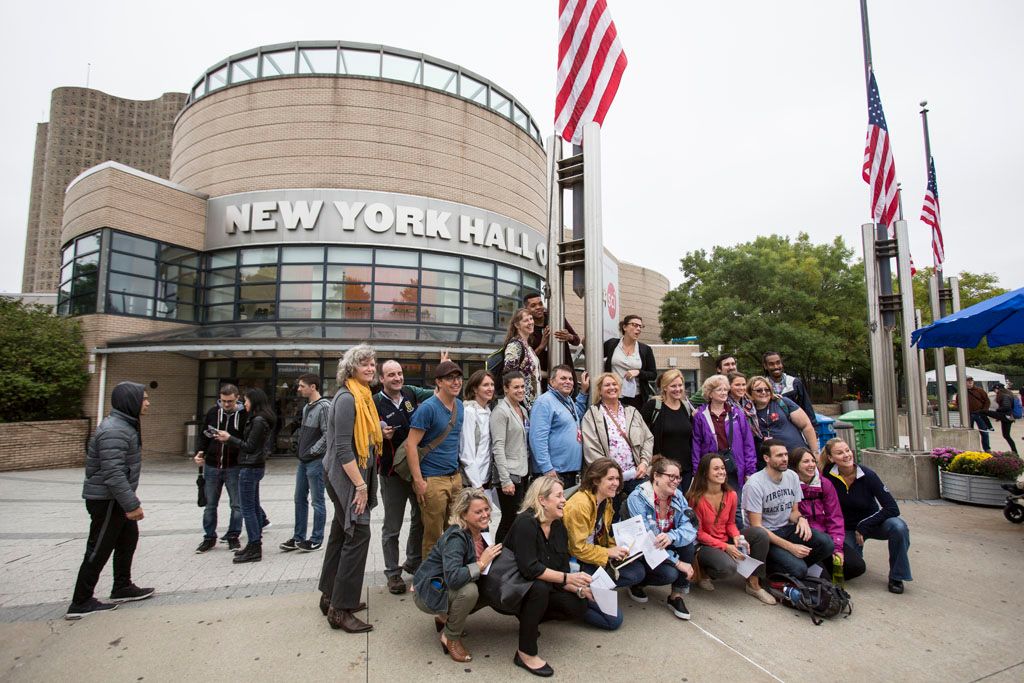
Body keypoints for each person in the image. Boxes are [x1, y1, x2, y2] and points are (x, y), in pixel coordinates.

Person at [66, 382, 155, 619]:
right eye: (143, 398)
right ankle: (80, 601)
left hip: (116, 498)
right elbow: (113, 473)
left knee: (128, 538)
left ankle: (122, 586)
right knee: (99, 548)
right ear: (130, 401)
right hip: (107, 500)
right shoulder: (115, 430)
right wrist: (132, 504)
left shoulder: (125, 426)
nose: (147, 403)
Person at [501, 477, 602, 677]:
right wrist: (567, 579)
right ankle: (525, 653)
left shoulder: (558, 526)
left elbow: (561, 568)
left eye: (563, 495)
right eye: (558, 496)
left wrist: (581, 589)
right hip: (509, 588)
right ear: (542, 500)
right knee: (539, 588)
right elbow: (529, 569)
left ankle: (529, 618)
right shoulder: (526, 523)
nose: (564, 500)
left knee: (577, 605)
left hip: (540, 585)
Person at [319, 344, 383, 632]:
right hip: (347, 478)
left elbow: (361, 436)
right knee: (358, 533)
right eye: (364, 364)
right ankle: (340, 610)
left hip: (351, 475)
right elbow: (344, 448)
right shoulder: (347, 398)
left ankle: (330, 595)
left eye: (372, 363)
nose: (370, 368)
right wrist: (360, 486)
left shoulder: (363, 396)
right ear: (351, 368)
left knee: (340, 532)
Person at [412, 488, 502, 664]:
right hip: (429, 592)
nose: (485, 515)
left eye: (486, 509)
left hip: (441, 585)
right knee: (470, 592)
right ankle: (450, 637)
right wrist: (481, 563)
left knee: (485, 587)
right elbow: (453, 577)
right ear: (464, 515)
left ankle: (444, 618)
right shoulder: (456, 537)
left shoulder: (479, 531)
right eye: (478, 512)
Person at [375, 359, 435, 595]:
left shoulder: (410, 392)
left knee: (420, 517)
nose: (397, 378)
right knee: (392, 526)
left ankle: (413, 561)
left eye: (399, 373)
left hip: (416, 470)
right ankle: (392, 573)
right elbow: (371, 425)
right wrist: (379, 431)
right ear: (382, 379)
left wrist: (443, 369)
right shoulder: (375, 402)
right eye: (391, 375)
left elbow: (436, 393)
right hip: (392, 473)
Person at [821, 438, 911, 594]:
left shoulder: (868, 475)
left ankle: (897, 576)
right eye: (839, 453)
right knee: (852, 567)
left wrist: (864, 525)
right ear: (830, 458)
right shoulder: (827, 475)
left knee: (899, 527)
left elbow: (892, 508)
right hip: (846, 529)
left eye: (847, 450)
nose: (846, 455)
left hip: (872, 524)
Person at [687, 453, 775, 604]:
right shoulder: (695, 498)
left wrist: (736, 537)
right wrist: (725, 547)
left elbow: (730, 523)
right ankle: (704, 573)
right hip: (704, 545)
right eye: (716, 469)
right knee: (728, 568)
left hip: (725, 539)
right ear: (705, 473)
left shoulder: (731, 495)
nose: (721, 471)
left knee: (759, 534)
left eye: (722, 468)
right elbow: (698, 533)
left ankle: (754, 583)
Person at [563, 457, 643, 622]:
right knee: (614, 620)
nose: (616, 483)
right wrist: (608, 552)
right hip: (574, 562)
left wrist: (622, 549)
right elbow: (576, 549)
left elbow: (602, 536)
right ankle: (567, 600)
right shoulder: (580, 504)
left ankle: (595, 587)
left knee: (637, 572)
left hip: (592, 556)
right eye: (610, 479)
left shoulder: (605, 499)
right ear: (596, 480)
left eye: (617, 478)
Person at [742, 439, 834, 578]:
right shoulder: (754, 485)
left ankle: (791, 565)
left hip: (787, 529)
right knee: (799, 570)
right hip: (766, 539)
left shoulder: (792, 476)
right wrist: (791, 547)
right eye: (779, 455)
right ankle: (771, 569)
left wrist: (801, 519)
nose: (785, 459)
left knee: (827, 543)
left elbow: (793, 512)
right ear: (766, 458)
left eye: (785, 454)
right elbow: (757, 526)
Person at [625, 456, 697, 619]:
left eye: (678, 477)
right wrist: (677, 563)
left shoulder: (678, 496)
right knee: (669, 574)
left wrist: (672, 536)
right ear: (656, 476)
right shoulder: (637, 498)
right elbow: (646, 539)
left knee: (687, 544)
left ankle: (676, 597)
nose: (676, 481)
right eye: (671, 476)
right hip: (642, 550)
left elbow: (691, 526)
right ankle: (637, 583)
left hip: (664, 545)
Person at [406, 360, 465, 559]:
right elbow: (411, 445)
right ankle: (429, 582)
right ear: (438, 382)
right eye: (450, 378)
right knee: (432, 535)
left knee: (455, 531)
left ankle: (450, 573)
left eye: (458, 378)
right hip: (432, 480)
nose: (456, 382)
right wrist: (419, 481)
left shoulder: (459, 405)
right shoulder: (428, 408)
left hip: (455, 478)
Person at [216, 388, 274, 564]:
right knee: (253, 506)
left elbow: (249, 446)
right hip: (253, 466)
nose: (244, 404)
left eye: (246, 401)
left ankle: (255, 546)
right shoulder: (260, 419)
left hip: (250, 467)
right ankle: (253, 544)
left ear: (254, 402)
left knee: (248, 508)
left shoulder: (258, 421)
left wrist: (229, 438)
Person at [691, 374, 756, 527]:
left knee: (737, 506)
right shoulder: (701, 416)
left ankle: (740, 541)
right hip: (711, 467)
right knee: (714, 507)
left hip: (734, 466)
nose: (723, 392)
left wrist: (750, 470)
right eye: (719, 389)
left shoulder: (737, 414)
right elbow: (696, 445)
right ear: (710, 393)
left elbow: (748, 443)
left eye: (725, 389)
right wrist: (697, 470)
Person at [790, 447, 862, 580]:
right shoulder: (789, 485)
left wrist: (838, 548)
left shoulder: (824, 484)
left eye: (813, 461)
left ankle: (824, 565)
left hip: (826, 537)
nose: (811, 465)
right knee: (824, 579)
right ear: (795, 466)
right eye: (806, 462)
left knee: (856, 567)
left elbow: (835, 517)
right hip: (803, 538)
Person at [279, 373, 330, 554]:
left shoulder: (324, 407)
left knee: (317, 501)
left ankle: (316, 539)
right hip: (304, 461)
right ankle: (298, 537)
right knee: (299, 498)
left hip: (315, 462)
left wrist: (312, 451)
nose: (299, 389)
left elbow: (328, 434)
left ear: (313, 387)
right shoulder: (307, 407)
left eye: (302, 386)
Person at [581, 372, 653, 501]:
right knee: (611, 518)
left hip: (635, 476)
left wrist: (644, 462)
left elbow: (648, 438)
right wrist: (610, 475)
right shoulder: (592, 415)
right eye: (607, 385)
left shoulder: (632, 411)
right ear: (600, 391)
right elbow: (590, 449)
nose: (612, 387)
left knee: (641, 514)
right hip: (608, 480)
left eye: (614, 384)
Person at [193, 384, 246, 554]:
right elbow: (203, 435)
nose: (226, 404)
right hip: (212, 465)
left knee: (236, 505)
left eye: (230, 401)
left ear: (237, 397)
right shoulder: (212, 412)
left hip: (234, 466)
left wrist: (230, 440)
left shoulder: (244, 415)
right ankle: (209, 537)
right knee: (210, 505)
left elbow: (247, 440)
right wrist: (200, 453)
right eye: (223, 401)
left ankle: (233, 536)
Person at [529, 364, 590, 487]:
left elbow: (576, 414)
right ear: (552, 382)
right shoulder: (544, 402)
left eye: (570, 379)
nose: (568, 382)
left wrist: (583, 392)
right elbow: (537, 438)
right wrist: (547, 468)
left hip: (568, 472)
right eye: (563, 378)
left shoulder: (567, 401)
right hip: (552, 474)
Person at [490, 370, 531, 543]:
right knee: (509, 520)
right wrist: (505, 479)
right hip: (509, 475)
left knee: (517, 519)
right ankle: (499, 557)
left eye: (522, 386)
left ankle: (511, 555)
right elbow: (498, 446)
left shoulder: (522, 409)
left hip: (522, 472)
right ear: (506, 389)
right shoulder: (501, 411)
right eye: (516, 387)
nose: (521, 390)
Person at [641, 369, 695, 493]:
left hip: (685, 470)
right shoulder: (654, 405)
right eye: (673, 386)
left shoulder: (686, 407)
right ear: (665, 387)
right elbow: (639, 432)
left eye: (680, 385)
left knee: (683, 507)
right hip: (664, 471)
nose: (678, 389)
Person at [749, 376, 818, 462]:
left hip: (798, 458)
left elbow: (806, 426)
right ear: (750, 393)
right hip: (772, 463)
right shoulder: (748, 413)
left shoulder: (781, 402)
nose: (764, 392)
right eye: (759, 390)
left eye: (767, 390)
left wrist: (815, 453)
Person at [524, 291, 580, 386]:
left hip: (566, 375)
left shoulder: (555, 318)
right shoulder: (527, 328)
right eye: (533, 305)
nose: (538, 307)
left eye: (540, 304)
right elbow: (527, 360)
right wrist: (542, 345)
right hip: (543, 381)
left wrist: (569, 337)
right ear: (526, 309)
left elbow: (577, 341)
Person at [602, 314, 657, 410]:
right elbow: (593, 354)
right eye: (634, 325)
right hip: (613, 395)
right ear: (624, 327)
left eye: (640, 326)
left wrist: (638, 372)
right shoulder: (612, 344)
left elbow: (653, 374)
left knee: (633, 424)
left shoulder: (645, 349)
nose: (638, 329)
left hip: (636, 398)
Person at [461, 370, 497, 502]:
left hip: (486, 480)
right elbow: (466, 452)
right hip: (472, 483)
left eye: (492, 384)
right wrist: (477, 484)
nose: (490, 388)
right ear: (475, 389)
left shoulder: (488, 411)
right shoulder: (469, 412)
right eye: (485, 385)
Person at [761, 351, 816, 426]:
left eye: (778, 363)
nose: (776, 366)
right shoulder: (761, 387)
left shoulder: (794, 383)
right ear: (765, 366)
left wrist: (814, 430)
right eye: (771, 364)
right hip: (773, 429)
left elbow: (807, 408)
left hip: (796, 427)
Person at [503, 307, 542, 408]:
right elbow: (509, 376)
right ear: (517, 325)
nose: (530, 322)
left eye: (531, 319)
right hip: (522, 404)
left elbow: (533, 373)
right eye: (526, 320)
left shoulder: (528, 347)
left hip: (533, 403)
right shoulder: (515, 346)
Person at [955, 376, 993, 452]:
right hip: (968, 414)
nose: (970, 382)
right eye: (968, 381)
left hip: (979, 414)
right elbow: (958, 403)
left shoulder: (980, 391)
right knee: (968, 431)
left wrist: (984, 411)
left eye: (971, 381)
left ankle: (987, 448)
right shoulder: (961, 392)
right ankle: (969, 447)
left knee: (984, 431)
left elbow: (987, 401)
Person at [727, 371, 763, 449]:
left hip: (754, 438)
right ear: (729, 386)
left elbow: (765, 396)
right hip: (737, 443)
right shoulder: (725, 404)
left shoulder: (749, 400)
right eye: (737, 385)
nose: (741, 388)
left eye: (743, 384)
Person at [990, 383, 1017, 455]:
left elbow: (1006, 407)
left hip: (1007, 417)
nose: (994, 392)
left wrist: (998, 410)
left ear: (997, 389)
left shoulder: (1004, 395)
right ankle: (1014, 451)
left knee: (1006, 435)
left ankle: (1015, 452)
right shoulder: (1008, 393)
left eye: (994, 390)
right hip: (1008, 417)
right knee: (1006, 435)